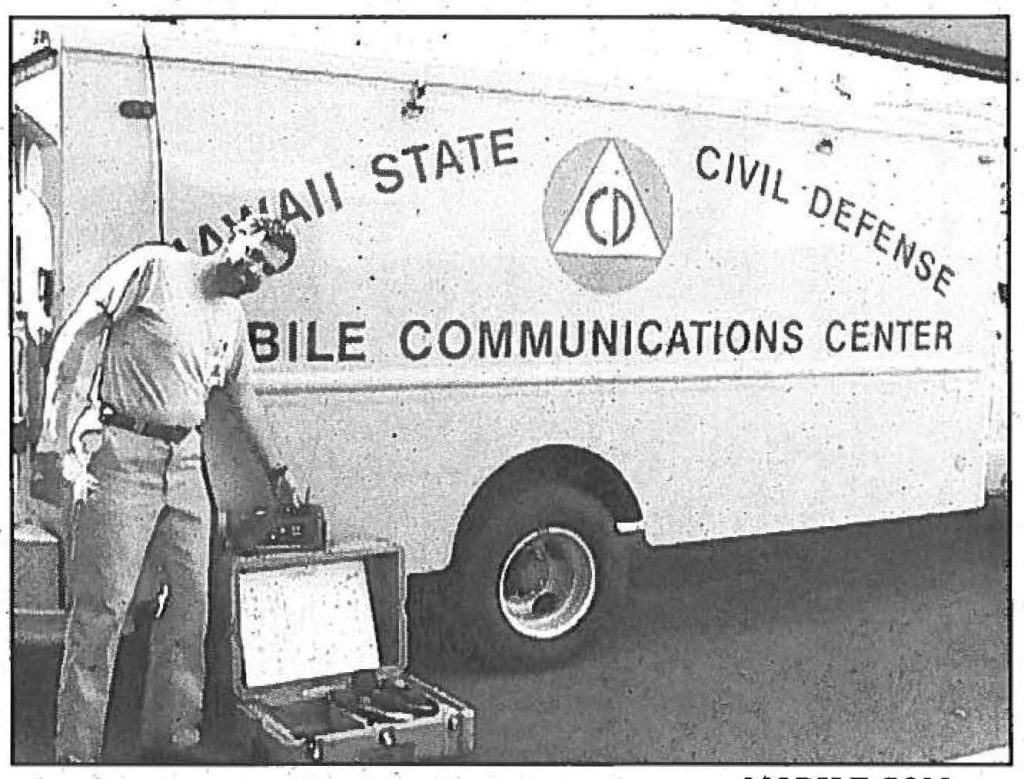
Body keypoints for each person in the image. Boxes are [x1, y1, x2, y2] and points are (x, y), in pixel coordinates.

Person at [35, 216, 301, 763]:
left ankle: (172, 737)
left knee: (191, 605)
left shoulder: (232, 319)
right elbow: (77, 337)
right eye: (253, 255)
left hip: (184, 463)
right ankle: (76, 754)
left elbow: (241, 396)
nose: (251, 273)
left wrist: (277, 471)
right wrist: (53, 438)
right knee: (102, 610)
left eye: (264, 273)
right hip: (121, 454)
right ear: (237, 236)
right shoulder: (154, 268)